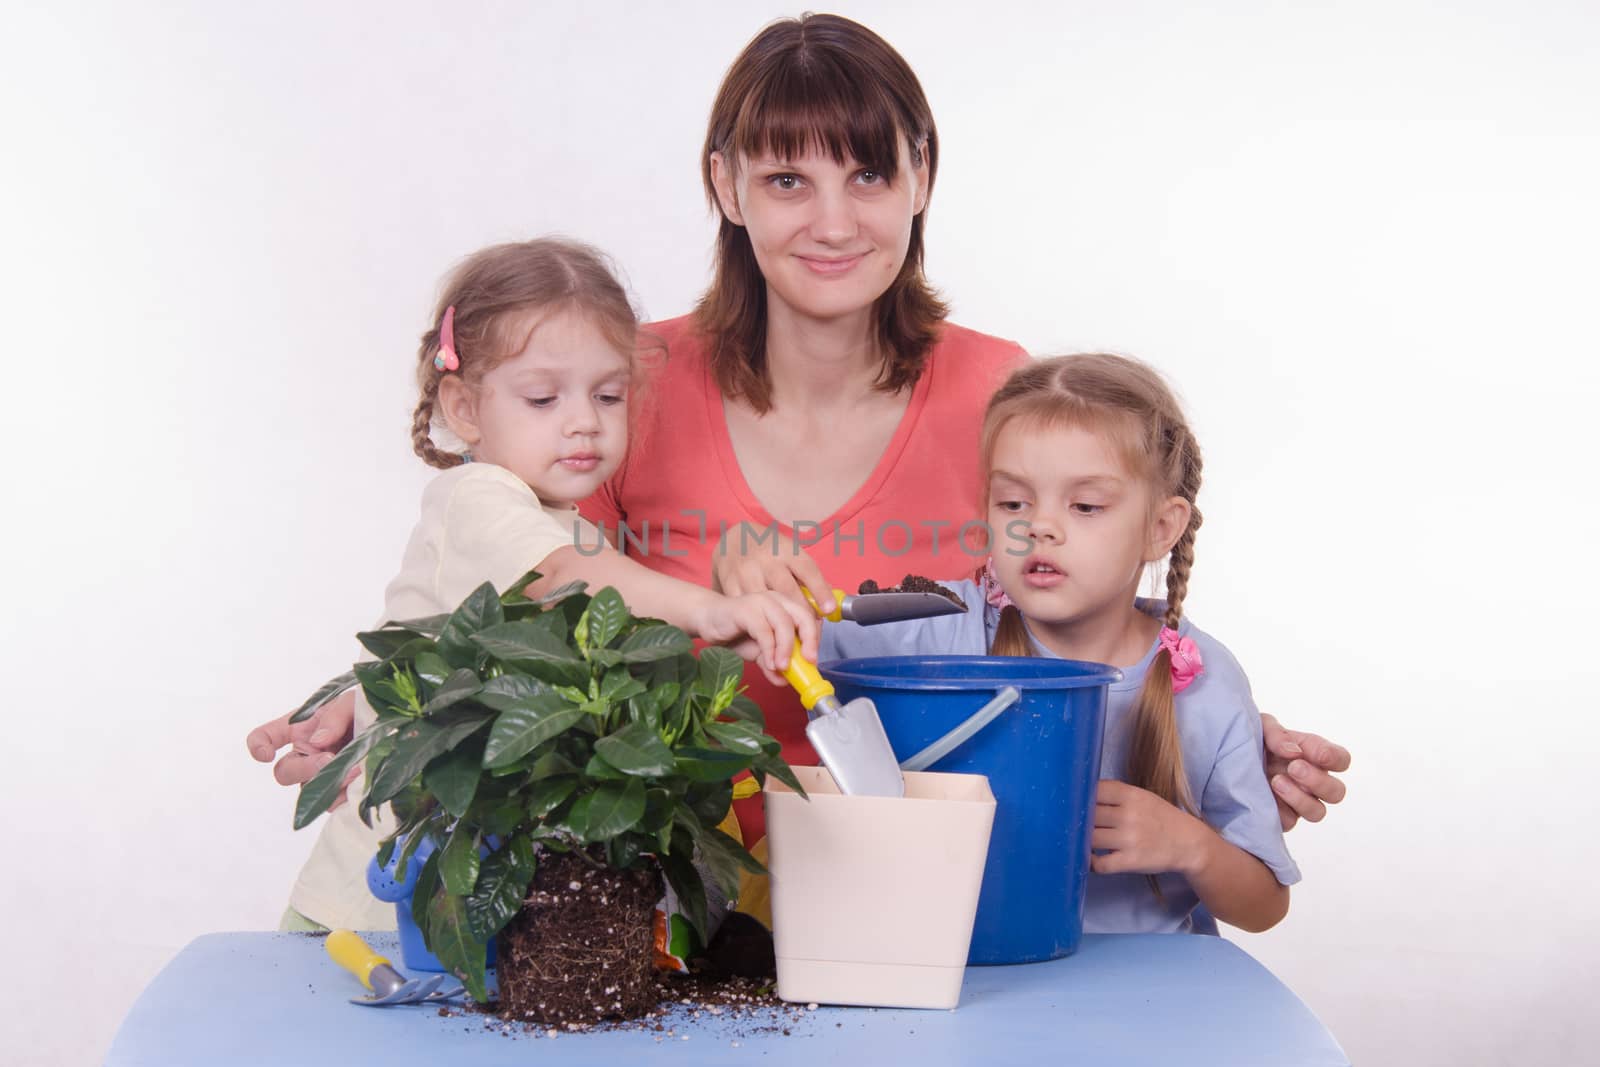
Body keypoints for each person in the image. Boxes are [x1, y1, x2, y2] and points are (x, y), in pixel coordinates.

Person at [249, 13, 1347, 858]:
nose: (832, 221)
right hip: (658, 880)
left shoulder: (1005, 392)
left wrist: (1196, 720)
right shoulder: (619, 385)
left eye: (868, 173)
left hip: (928, 883)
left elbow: (1079, 603)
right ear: (725, 185)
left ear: (921, 175)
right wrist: (366, 698)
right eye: (786, 178)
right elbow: (512, 593)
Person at [281, 237, 819, 931]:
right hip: (368, 909)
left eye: (608, 394)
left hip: (470, 896)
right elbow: (562, 579)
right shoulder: (478, 498)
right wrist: (708, 610)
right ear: (465, 407)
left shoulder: (574, 531)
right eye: (542, 397)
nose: (584, 422)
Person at [822, 353, 1295, 933]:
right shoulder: (943, 620)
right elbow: (786, 630)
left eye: (1085, 505)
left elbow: (1264, 907)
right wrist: (751, 589)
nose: (1039, 527)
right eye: (1014, 503)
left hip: (1147, 999)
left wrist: (1192, 846)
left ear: (1161, 528)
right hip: (969, 981)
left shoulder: (1205, 682)